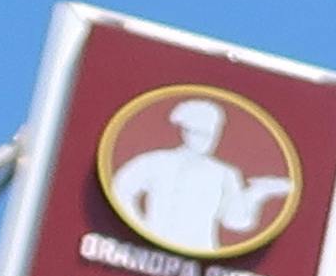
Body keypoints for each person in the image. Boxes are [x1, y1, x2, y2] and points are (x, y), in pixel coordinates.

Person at [113, 97, 296, 255]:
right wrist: (141, 228)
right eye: (201, 134)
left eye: (212, 134)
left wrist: (258, 193)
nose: (207, 140)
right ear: (185, 132)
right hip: (149, 250)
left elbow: (235, 221)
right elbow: (121, 188)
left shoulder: (225, 173)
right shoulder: (158, 161)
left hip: (200, 258)